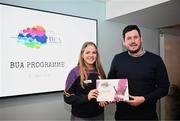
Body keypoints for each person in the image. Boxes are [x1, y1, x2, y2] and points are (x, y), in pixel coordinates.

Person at [108, 25, 170, 120]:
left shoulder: (156, 60)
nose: (132, 41)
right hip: (122, 116)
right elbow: (111, 83)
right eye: (129, 38)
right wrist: (109, 95)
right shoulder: (117, 59)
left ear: (141, 39)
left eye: (135, 37)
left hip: (148, 116)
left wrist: (144, 99)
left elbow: (164, 88)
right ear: (124, 42)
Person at [64, 41, 107, 121]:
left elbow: (105, 91)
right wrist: (86, 97)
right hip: (80, 117)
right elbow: (67, 97)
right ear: (82, 55)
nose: (91, 55)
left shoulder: (100, 71)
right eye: (87, 52)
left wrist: (106, 100)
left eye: (94, 53)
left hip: (99, 115)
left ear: (96, 55)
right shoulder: (75, 72)